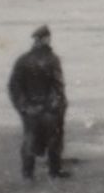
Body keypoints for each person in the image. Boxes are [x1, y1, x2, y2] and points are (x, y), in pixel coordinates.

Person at [8, 24, 67, 180]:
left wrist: (23, 107)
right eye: (48, 38)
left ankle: (28, 175)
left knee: (29, 140)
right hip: (49, 108)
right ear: (44, 39)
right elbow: (58, 87)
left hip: (30, 109)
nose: (49, 41)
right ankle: (54, 173)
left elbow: (14, 87)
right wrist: (59, 107)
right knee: (54, 141)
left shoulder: (22, 60)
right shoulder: (52, 60)